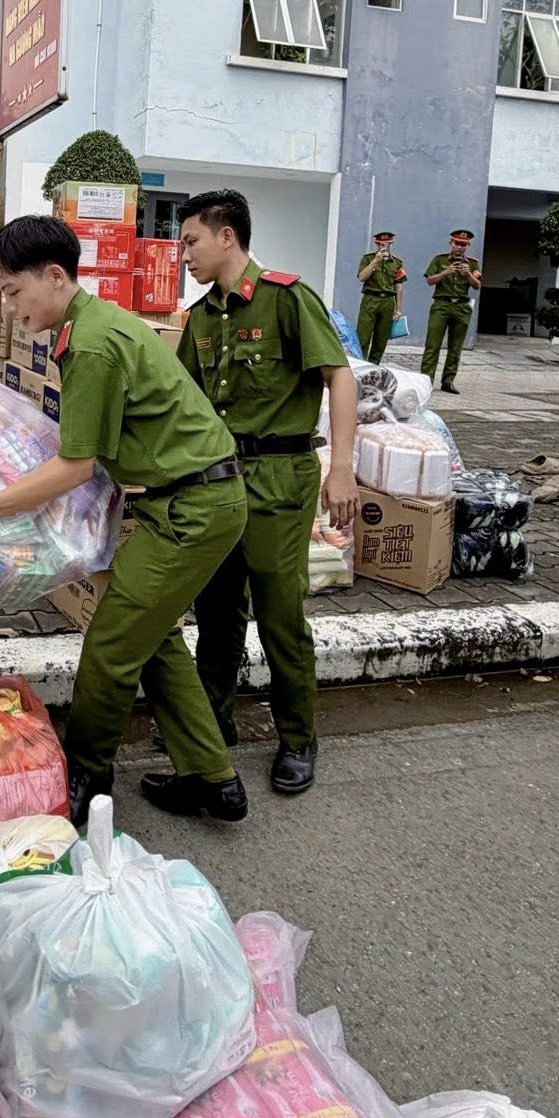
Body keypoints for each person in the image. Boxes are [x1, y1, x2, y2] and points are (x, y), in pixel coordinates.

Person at [0, 215, 248, 828]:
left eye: (14, 292)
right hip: (189, 499)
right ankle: (214, 778)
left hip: (192, 509)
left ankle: (86, 776)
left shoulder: (91, 344)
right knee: (153, 639)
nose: (9, 308)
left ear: (54, 276)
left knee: (109, 647)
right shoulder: (93, 326)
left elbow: (74, 467)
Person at [178, 191, 358, 798]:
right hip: (219, 479)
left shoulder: (287, 297)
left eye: (191, 241)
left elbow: (339, 375)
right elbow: (185, 402)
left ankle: (298, 738)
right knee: (216, 609)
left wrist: (342, 467)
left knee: (280, 615)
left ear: (226, 236)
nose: (185, 255)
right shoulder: (201, 318)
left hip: (281, 476)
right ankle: (213, 724)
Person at [421, 229, 482, 394]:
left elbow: (477, 285)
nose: (460, 247)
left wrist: (468, 274)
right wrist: (446, 272)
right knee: (432, 345)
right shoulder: (439, 259)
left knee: (455, 347)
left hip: (462, 307)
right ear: (451, 243)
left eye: (463, 244)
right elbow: (429, 280)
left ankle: (448, 381)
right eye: (457, 243)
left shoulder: (472, 263)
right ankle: (426, 380)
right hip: (441, 305)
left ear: (468, 246)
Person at [356, 231, 407, 365]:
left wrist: (398, 309)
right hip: (370, 299)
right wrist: (375, 262)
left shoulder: (396, 262)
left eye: (386, 244)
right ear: (376, 244)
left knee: (381, 339)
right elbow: (362, 277)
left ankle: (374, 366)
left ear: (391, 244)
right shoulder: (368, 259)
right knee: (363, 336)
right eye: (381, 244)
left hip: (388, 301)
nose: (383, 246)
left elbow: (399, 286)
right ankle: (360, 365)